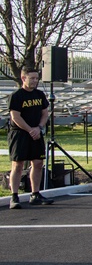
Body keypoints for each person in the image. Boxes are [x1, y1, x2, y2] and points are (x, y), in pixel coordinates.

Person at [7, 66, 55, 209]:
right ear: (23, 78)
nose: (35, 81)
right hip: (20, 133)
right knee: (18, 164)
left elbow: (45, 113)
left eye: (36, 78)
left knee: (38, 163)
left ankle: (35, 194)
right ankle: (14, 197)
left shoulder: (40, 95)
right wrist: (29, 130)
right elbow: (15, 116)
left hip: (36, 132)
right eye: (32, 78)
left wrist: (39, 128)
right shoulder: (16, 96)